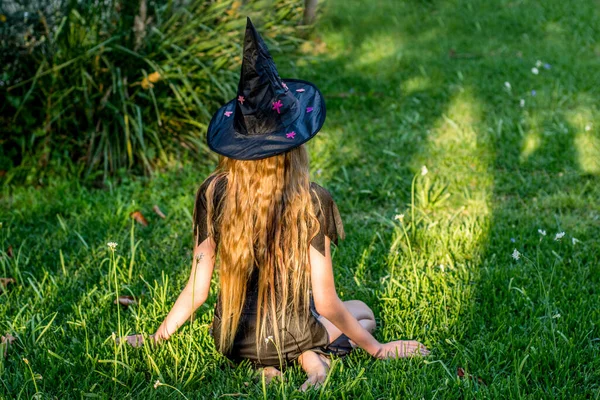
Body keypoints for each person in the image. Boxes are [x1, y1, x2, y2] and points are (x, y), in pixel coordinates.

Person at [125, 17, 429, 391]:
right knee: (361, 312)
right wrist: (378, 349)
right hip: (294, 331)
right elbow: (328, 302)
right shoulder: (310, 200)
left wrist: (156, 338)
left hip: (231, 339)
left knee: (303, 324)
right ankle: (310, 358)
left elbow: (197, 290)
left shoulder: (212, 191)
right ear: (292, 145)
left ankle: (275, 366)